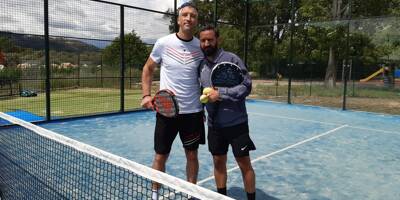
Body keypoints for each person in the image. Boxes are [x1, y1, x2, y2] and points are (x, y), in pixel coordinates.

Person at [140, 2, 205, 200]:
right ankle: (154, 193)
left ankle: (191, 193)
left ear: (196, 21)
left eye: (192, 16)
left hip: (193, 113)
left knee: (192, 155)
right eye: (184, 15)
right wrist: (146, 95)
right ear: (178, 19)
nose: (188, 18)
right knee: (160, 156)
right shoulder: (163, 43)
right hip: (167, 112)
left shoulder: (200, 46)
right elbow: (148, 69)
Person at [198, 25, 256, 200]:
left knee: (244, 163)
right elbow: (200, 90)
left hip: (237, 124)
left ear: (217, 40)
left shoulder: (232, 59)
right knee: (218, 162)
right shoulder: (200, 65)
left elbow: (246, 86)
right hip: (214, 126)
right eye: (203, 40)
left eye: (210, 39)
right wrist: (201, 110)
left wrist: (221, 94)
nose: (207, 43)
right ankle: (221, 197)